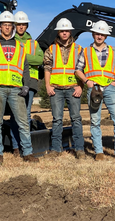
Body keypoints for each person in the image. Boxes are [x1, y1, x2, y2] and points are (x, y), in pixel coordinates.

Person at [0, 11, 39, 164]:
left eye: (9, 25)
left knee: (23, 122)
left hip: (16, 89)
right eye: (4, 25)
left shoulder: (20, 46)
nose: (7, 27)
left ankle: (27, 153)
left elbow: (25, 68)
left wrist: (26, 85)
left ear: (13, 27)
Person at [75, 21, 115, 162]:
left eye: (102, 34)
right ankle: (99, 152)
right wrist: (87, 82)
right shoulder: (86, 51)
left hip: (110, 87)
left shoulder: (114, 51)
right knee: (95, 121)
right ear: (93, 34)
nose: (99, 36)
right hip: (93, 89)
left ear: (106, 35)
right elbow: (78, 70)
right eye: (97, 33)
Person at [43, 18, 85, 159]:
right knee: (57, 120)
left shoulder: (79, 49)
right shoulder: (51, 49)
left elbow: (83, 69)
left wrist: (80, 86)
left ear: (70, 31)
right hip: (56, 89)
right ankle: (55, 149)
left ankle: (79, 149)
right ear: (58, 32)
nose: (64, 33)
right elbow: (47, 68)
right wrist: (47, 86)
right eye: (62, 31)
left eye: (66, 30)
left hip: (73, 88)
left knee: (76, 119)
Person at [9, 11, 43, 156]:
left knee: (26, 115)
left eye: (23, 24)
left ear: (26, 25)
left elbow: (40, 60)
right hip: (15, 80)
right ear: (14, 26)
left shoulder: (34, 43)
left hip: (30, 81)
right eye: (18, 24)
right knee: (14, 115)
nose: (21, 27)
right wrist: (30, 58)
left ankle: (25, 146)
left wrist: (22, 57)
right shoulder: (10, 42)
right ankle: (15, 146)